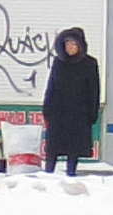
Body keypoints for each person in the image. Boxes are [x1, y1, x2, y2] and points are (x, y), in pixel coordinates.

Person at [41, 27, 102, 177]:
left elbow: (94, 90)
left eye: (73, 45)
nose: (70, 48)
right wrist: (47, 109)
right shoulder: (59, 62)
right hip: (58, 112)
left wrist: (92, 113)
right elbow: (52, 86)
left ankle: (71, 173)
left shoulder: (89, 64)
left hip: (79, 114)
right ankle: (48, 175)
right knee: (53, 147)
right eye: (67, 44)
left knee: (74, 148)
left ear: (80, 46)